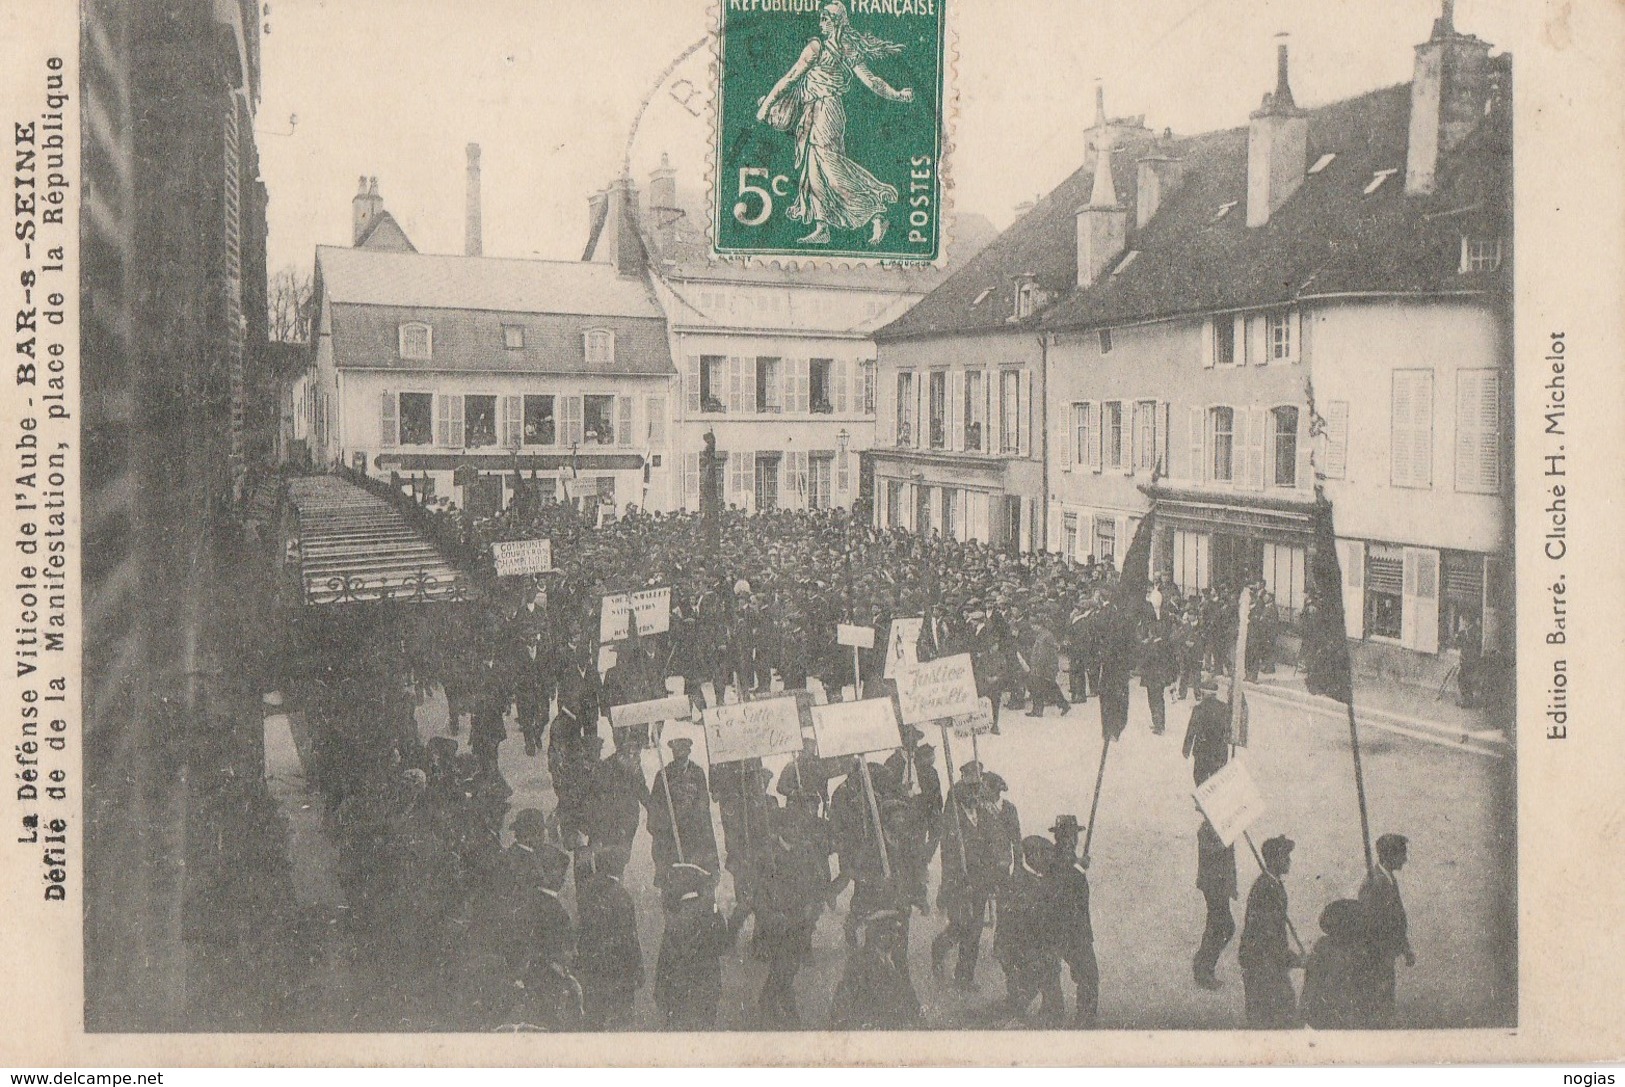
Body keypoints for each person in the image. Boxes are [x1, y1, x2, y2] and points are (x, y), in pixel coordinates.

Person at [754, 1, 915, 248]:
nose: (821, 23)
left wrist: (897, 94)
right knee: (814, 172)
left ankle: (876, 210)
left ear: (836, 21)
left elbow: (871, 81)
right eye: (821, 18)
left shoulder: (829, 48)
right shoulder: (825, 47)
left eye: (825, 19)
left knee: (832, 170)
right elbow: (792, 78)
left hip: (826, 112)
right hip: (814, 112)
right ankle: (822, 227)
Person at [653, 863, 733, 1030]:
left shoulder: (674, 919)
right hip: (706, 990)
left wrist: (660, 993)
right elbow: (724, 945)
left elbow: (665, 958)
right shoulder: (711, 915)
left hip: (678, 991)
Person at [996, 835, 1065, 1026]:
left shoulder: (1031, 879)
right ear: (1033, 856)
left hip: (1031, 947)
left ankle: (1043, 1009)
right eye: (1045, 856)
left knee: (1045, 979)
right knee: (1036, 981)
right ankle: (1023, 1012)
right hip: (1022, 947)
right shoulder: (1023, 883)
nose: (1049, 861)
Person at [573, 845, 642, 1031]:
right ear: (619, 868)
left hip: (593, 967)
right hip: (618, 969)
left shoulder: (587, 892)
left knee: (594, 1017)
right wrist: (637, 968)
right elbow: (630, 937)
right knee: (619, 1020)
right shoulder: (622, 896)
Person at [1238, 834, 1301, 1028]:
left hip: (1270, 963)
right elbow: (1268, 934)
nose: (1289, 860)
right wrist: (1294, 959)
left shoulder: (1273, 884)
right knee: (1271, 1020)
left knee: (1279, 1017)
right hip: (1262, 964)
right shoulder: (1266, 887)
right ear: (1274, 859)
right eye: (1285, 856)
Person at [646, 736, 721, 891]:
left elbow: (703, 803)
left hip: (693, 830)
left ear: (688, 752)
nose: (680, 758)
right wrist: (667, 821)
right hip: (671, 832)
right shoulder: (663, 775)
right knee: (673, 871)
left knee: (696, 868)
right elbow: (656, 805)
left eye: (683, 753)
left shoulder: (697, 773)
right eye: (676, 753)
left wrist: (691, 817)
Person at [829, 909, 922, 1030]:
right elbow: (843, 1000)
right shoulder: (859, 961)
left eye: (897, 932)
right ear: (878, 935)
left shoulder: (896, 961)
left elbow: (907, 993)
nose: (897, 936)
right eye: (891, 932)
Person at [1358, 833, 1415, 1026]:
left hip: (1386, 955)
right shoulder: (1374, 883)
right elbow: (1369, 924)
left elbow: (1396, 919)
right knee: (1379, 1006)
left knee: (1386, 1002)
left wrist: (1405, 948)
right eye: (1402, 854)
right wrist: (1381, 951)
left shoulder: (1388, 879)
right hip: (1376, 957)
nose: (1405, 859)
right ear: (1390, 855)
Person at [1048, 814, 1099, 1028]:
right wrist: (1079, 868)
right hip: (1072, 929)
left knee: (1054, 970)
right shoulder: (1062, 859)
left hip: (1063, 927)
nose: (1072, 839)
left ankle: (1054, 1009)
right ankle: (1084, 1018)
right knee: (1088, 975)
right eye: (1071, 835)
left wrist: (1077, 865)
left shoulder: (1061, 856)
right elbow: (1065, 885)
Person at [1301, 899, 1373, 1030]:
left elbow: (1310, 987)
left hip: (1330, 1016)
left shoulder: (1323, 946)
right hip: (1334, 1015)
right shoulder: (1355, 950)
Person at [1193, 817, 1238, 989]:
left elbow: (1228, 861)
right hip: (1213, 885)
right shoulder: (1207, 829)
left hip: (1220, 884)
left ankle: (1204, 967)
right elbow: (1214, 850)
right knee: (1223, 925)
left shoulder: (1220, 825)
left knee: (1220, 925)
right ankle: (1203, 968)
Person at [1181, 678, 1232, 786]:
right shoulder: (1224, 708)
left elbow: (1191, 730)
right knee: (1217, 778)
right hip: (1220, 751)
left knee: (1200, 777)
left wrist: (1186, 748)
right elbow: (1229, 728)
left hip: (1202, 751)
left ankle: (1203, 798)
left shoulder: (1199, 709)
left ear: (1203, 693)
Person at [1019, 622, 1071, 718]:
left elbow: (1050, 652)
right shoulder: (1040, 635)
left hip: (1045, 666)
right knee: (1041, 686)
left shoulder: (1047, 636)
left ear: (1041, 625)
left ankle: (1062, 705)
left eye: (1035, 625)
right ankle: (1039, 709)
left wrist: (1044, 665)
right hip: (1039, 666)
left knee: (1048, 686)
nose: (1033, 627)